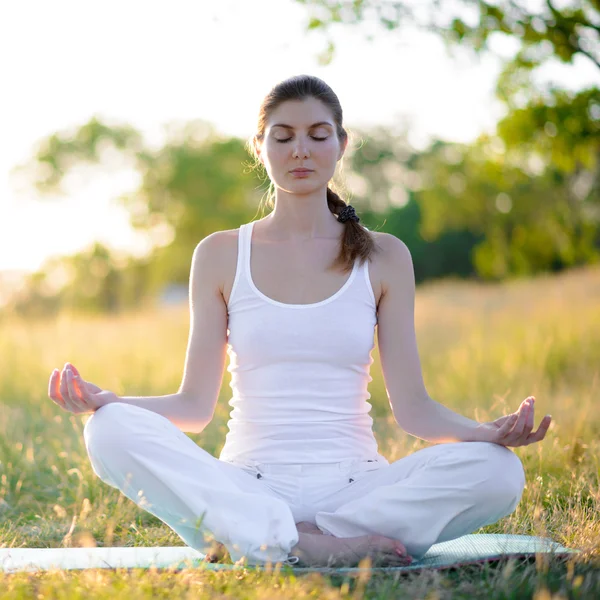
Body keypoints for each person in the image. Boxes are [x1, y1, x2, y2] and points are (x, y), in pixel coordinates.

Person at [48, 74, 552, 569]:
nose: (301, 151)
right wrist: (109, 403)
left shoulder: (384, 257)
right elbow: (194, 407)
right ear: (259, 146)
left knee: (498, 472)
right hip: (251, 483)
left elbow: (415, 411)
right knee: (108, 430)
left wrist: (488, 434)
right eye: (283, 137)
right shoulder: (222, 254)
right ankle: (299, 542)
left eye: (317, 135)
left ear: (341, 144)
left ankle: (288, 539)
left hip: (357, 487)